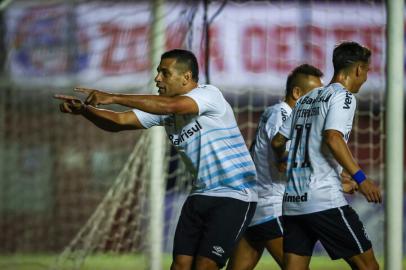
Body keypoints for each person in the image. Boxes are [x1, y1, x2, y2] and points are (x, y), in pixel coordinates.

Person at [54, 49, 257, 270]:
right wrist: (85, 110)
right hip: (200, 194)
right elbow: (119, 121)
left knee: (205, 266)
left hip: (234, 194)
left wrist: (112, 96)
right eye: (158, 72)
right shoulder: (162, 109)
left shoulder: (209, 95)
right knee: (179, 266)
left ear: (186, 77)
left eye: (164, 73)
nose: (157, 78)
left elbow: (173, 106)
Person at [271, 41, 381, 270]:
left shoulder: (305, 100)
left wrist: (283, 160)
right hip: (324, 202)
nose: (366, 77)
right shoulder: (343, 97)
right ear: (359, 69)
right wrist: (361, 178)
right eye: (367, 71)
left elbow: (278, 141)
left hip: (293, 203)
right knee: (369, 267)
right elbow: (333, 137)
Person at [226, 64, 324, 270]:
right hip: (273, 206)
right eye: (315, 96)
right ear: (297, 93)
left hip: (259, 205)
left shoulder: (281, 114)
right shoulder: (283, 115)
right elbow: (287, 162)